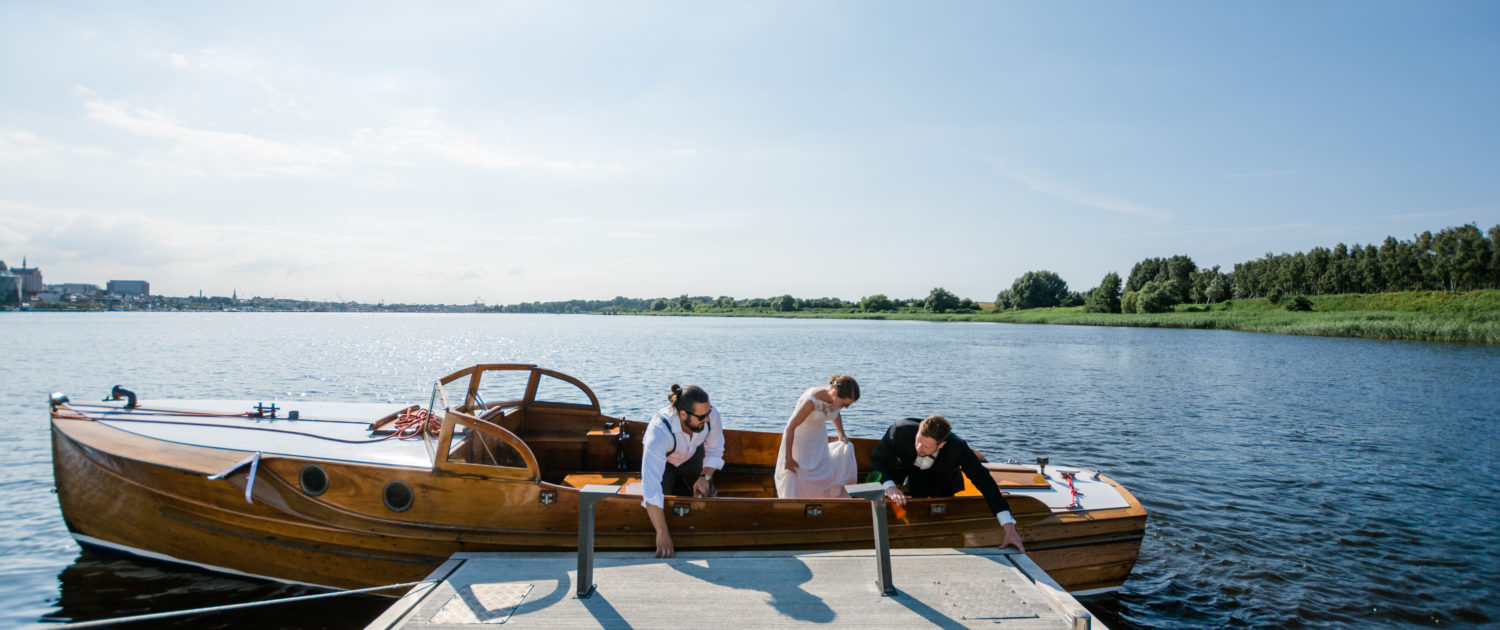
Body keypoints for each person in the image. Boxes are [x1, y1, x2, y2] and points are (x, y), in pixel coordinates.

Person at [870, 414, 1026, 552]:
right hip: (911, 478)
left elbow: (984, 480)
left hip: (943, 482)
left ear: (941, 444)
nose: (919, 448)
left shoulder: (958, 447)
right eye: (918, 441)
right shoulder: (900, 430)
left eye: (926, 446)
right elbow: (877, 458)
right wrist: (889, 486)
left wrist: (1008, 526)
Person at [640, 383, 725, 558]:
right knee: (661, 500)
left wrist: (705, 477)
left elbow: (715, 450)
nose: (707, 419)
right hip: (666, 463)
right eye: (701, 417)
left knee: (707, 493)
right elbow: (651, 488)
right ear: (683, 414)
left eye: (708, 414)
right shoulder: (659, 432)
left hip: (694, 456)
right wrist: (662, 534)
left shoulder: (710, 415)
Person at [774, 374, 859, 499]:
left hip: (818, 439)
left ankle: (821, 501)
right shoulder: (811, 401)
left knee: (843, 451)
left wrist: (841, 434)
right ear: (834, 393)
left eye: (849, 405)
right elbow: (790, 427)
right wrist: (788, 457)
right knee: (800, 474)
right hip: (799, 439)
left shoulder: (836, 400)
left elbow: (834, 413)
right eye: (844, 404)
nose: (846, 408)